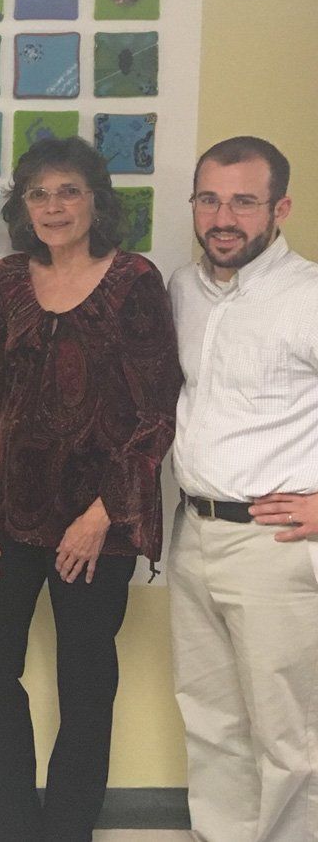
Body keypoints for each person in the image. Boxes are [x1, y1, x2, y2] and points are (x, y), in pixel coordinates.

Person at [0, 136, 182, 841]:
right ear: (23, 206)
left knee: (86, 683)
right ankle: (16, 828)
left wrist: (104, 513)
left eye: (69, 191)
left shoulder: (135, 279)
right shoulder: (10, 280)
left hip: (97, 520)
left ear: (96, 200)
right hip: (8, 510)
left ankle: (67, 830)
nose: (54, 206)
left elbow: (157, 411)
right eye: (39, 193)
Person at [168, 136, 318, 841]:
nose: (223, 217)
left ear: (279, 207)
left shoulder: (309, 295)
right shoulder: (181, 290)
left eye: (243, 201)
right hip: (193, 536)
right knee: (212, 718)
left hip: (274, 545)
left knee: (289, 734)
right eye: (209, 198)